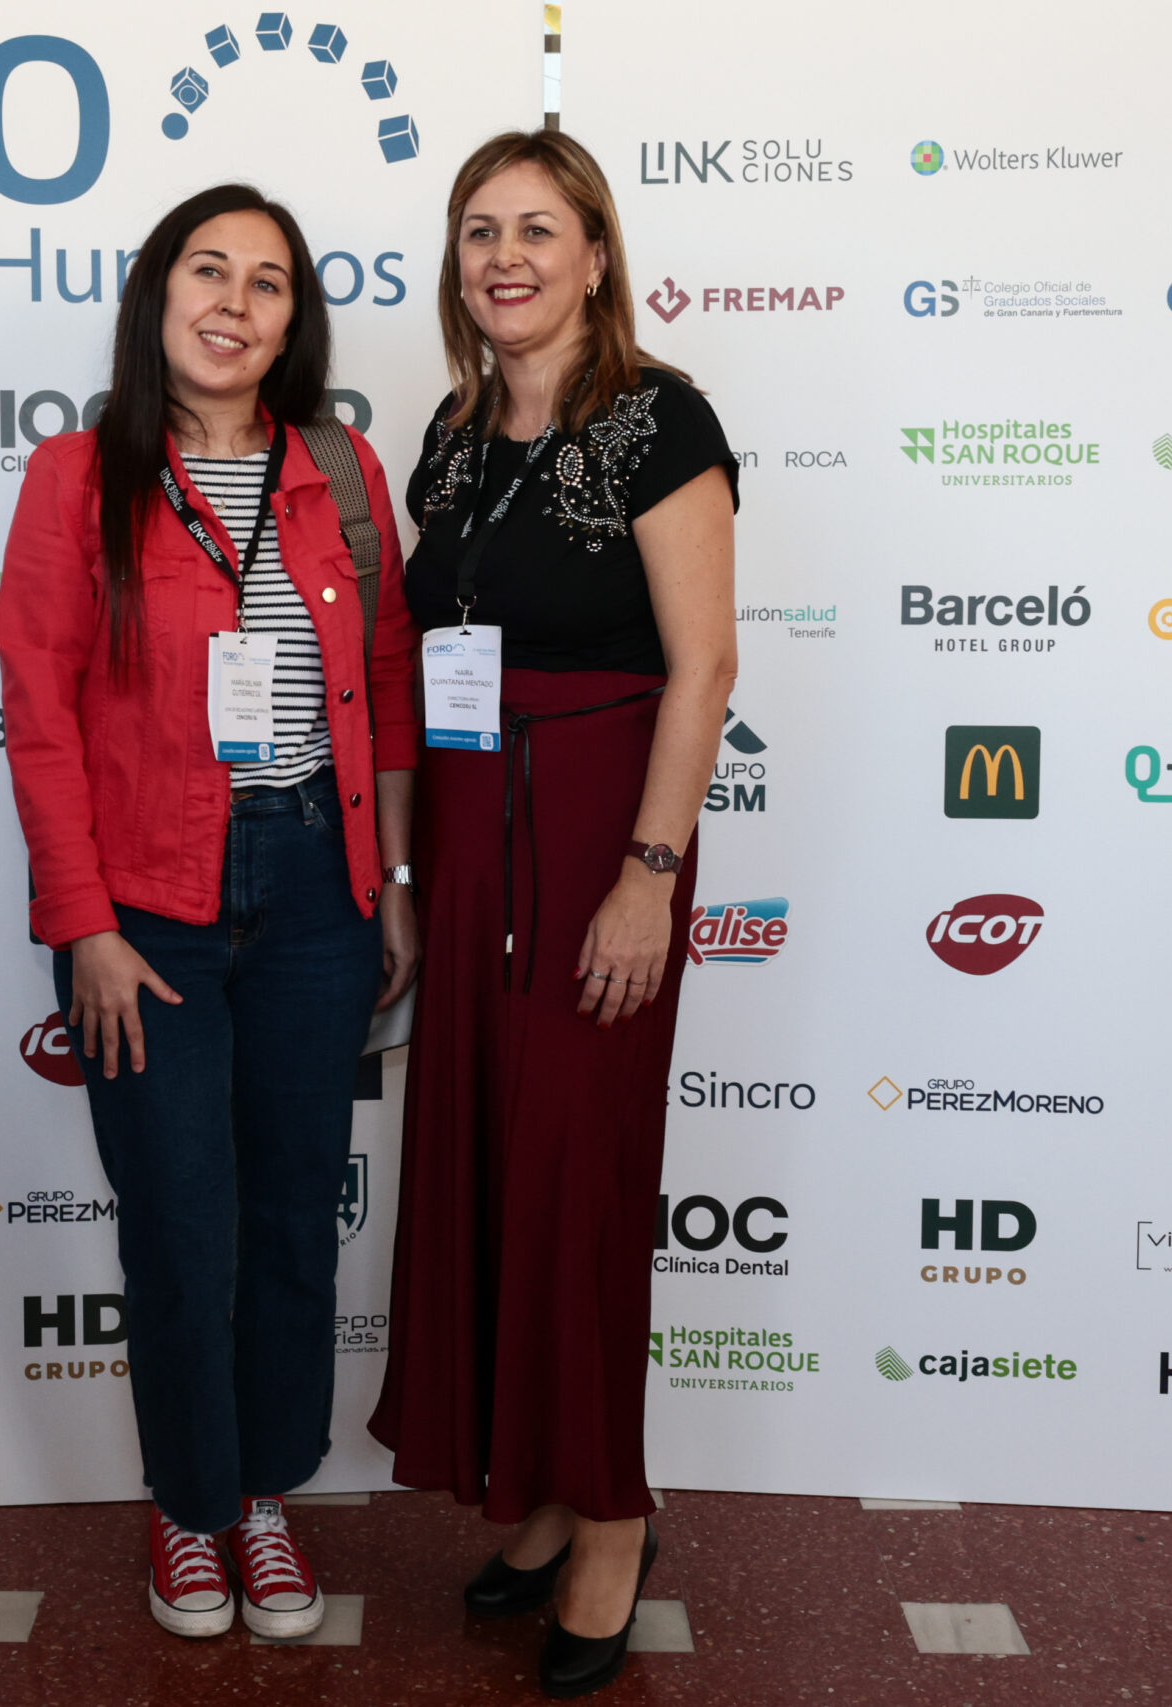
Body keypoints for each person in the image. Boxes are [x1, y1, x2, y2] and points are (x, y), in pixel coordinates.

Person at [0, 183, 420, 1640]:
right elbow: (40, 712)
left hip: (315, 892)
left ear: (295, 324)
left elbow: (389, 688)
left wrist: (392, 885)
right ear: (157, 296)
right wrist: (84, 924)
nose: (235, 302)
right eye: (208, 269)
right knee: (182, 1224)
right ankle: (188, 1508)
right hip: (147, 909)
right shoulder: (78, 475)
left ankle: (262, 1497)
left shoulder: (338, 469)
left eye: (269, 282)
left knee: (295, 1217)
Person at [369, 130, 739, 1698]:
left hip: (599, 836)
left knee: (579, 1182)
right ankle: (530, 1488)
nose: (503, 257)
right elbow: (420, 664)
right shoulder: (453, 432)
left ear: (596, 255)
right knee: (486, 1170)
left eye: (536, 229)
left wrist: (649, 875)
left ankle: (612, 1518)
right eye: (478, 231)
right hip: (470, 837)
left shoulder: (662, 418)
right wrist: (405, 876)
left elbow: (705, 667)